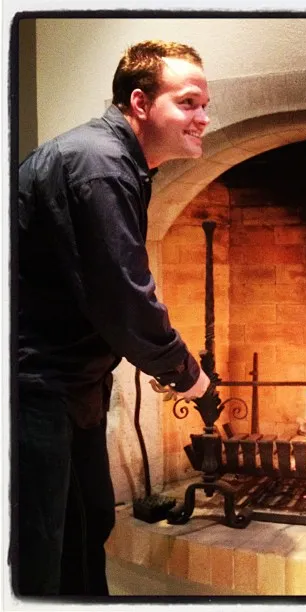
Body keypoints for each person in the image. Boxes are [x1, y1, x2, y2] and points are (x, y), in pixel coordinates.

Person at [13, 40, 212, 596]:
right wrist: (188, 374)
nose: (203, 118)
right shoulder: (99, 167)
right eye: (188, 103)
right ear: (140, 102)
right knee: (41, 547)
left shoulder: (120, 163)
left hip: (71, 383)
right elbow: (123, 295)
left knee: (88, 522)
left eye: (205, 105)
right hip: (35, 383)